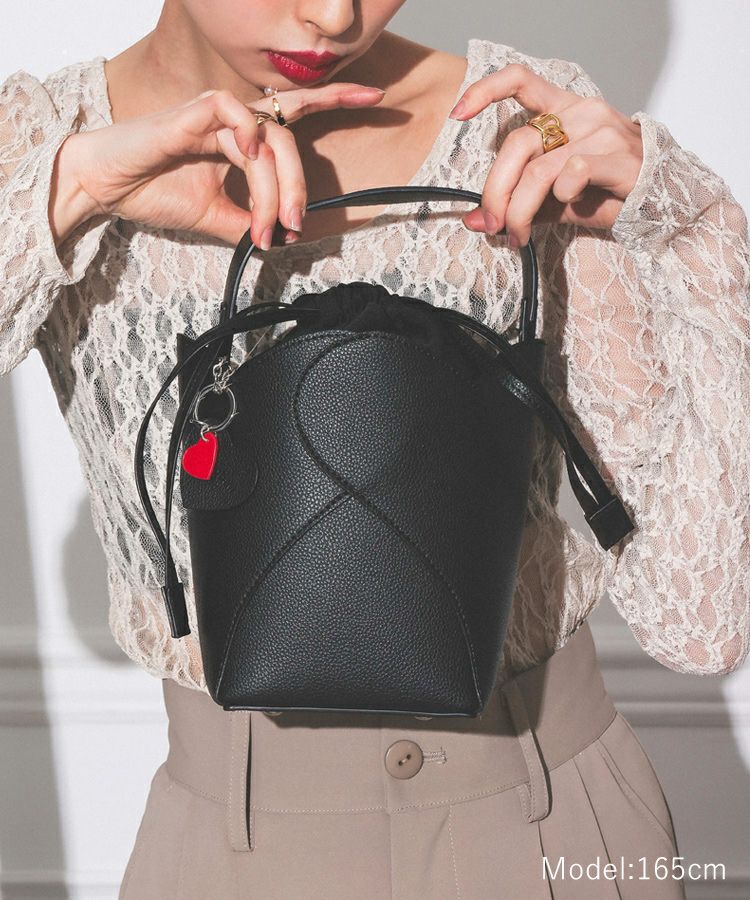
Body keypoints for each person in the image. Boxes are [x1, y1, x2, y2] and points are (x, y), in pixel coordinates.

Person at [1, 0, 748, 896]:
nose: (332, 14)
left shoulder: (519, 127)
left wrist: (695, 226)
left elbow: (700, 625)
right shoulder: (46, 141)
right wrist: (71, 191)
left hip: (551, 815)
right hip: (235, 847)